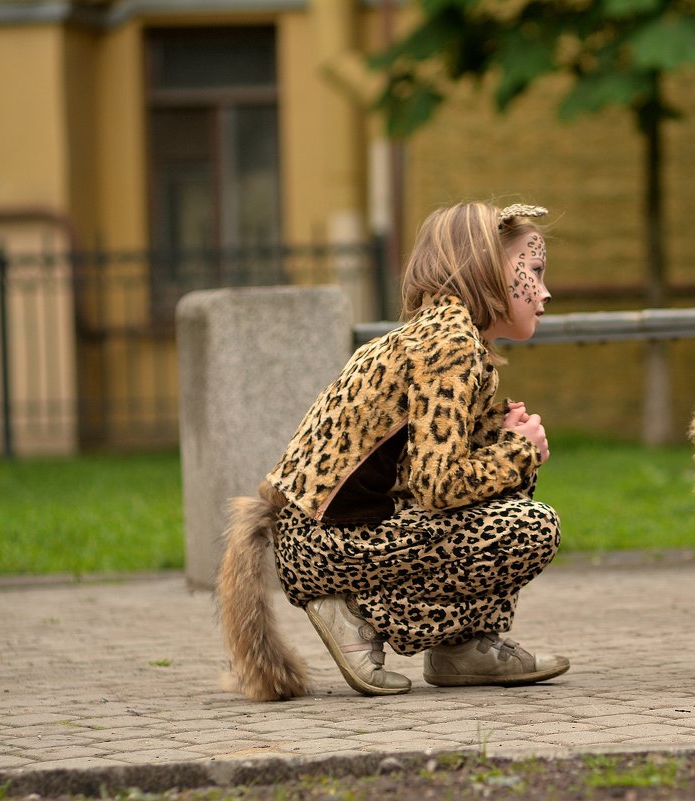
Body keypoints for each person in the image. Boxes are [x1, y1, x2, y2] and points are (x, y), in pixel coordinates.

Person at [216, 201, 569, 701]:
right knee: (531, 527)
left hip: (334, 537)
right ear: (487, 271)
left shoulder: (444, 337)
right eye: (533, 271)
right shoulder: (449, 346)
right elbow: (438, 485)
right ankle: (358, 616)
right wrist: (516, 451)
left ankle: (464, 646)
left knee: (510, 476)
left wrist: (498, 439)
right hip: (326, 546)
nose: (545, 291)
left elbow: (419, 469)